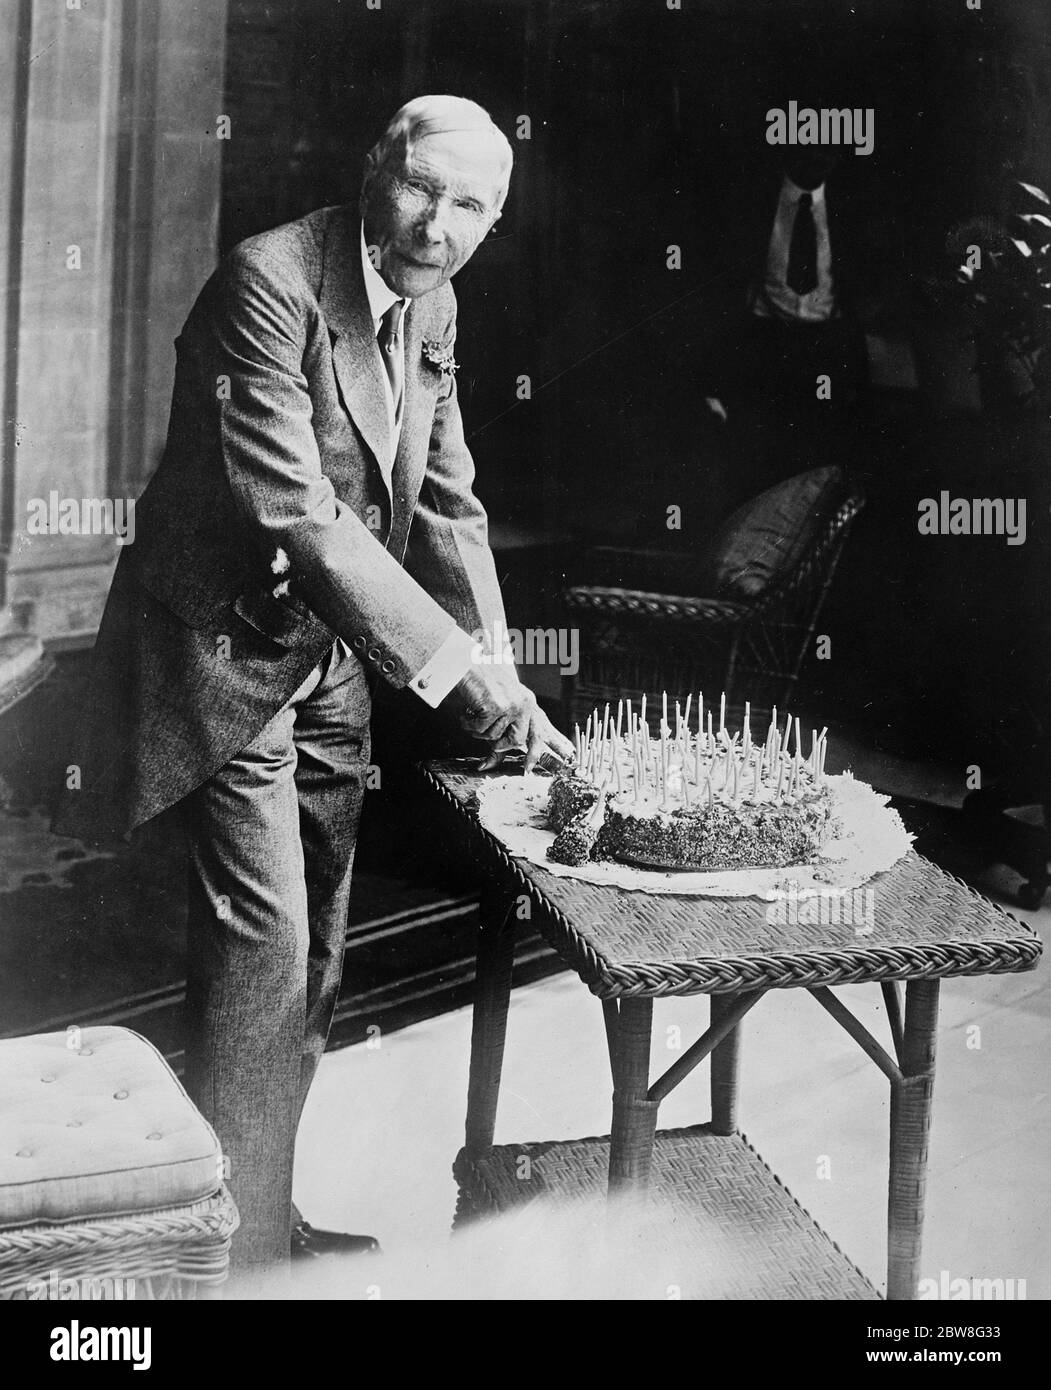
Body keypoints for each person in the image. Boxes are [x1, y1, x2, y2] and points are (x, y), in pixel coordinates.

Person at [53, 95, 573, 1275]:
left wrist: (495, 664)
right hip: (227, 647)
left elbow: (445, 502)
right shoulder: (267, 282)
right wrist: (456, 679)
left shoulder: (434, 299)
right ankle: (227, 1267)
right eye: (421, 188)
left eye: (471, 207)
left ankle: (262, 1210)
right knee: (264, 947)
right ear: (374, 169)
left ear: (494, 223)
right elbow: (305, 520)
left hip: (328, 658)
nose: (436, 224)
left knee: (324, 945)